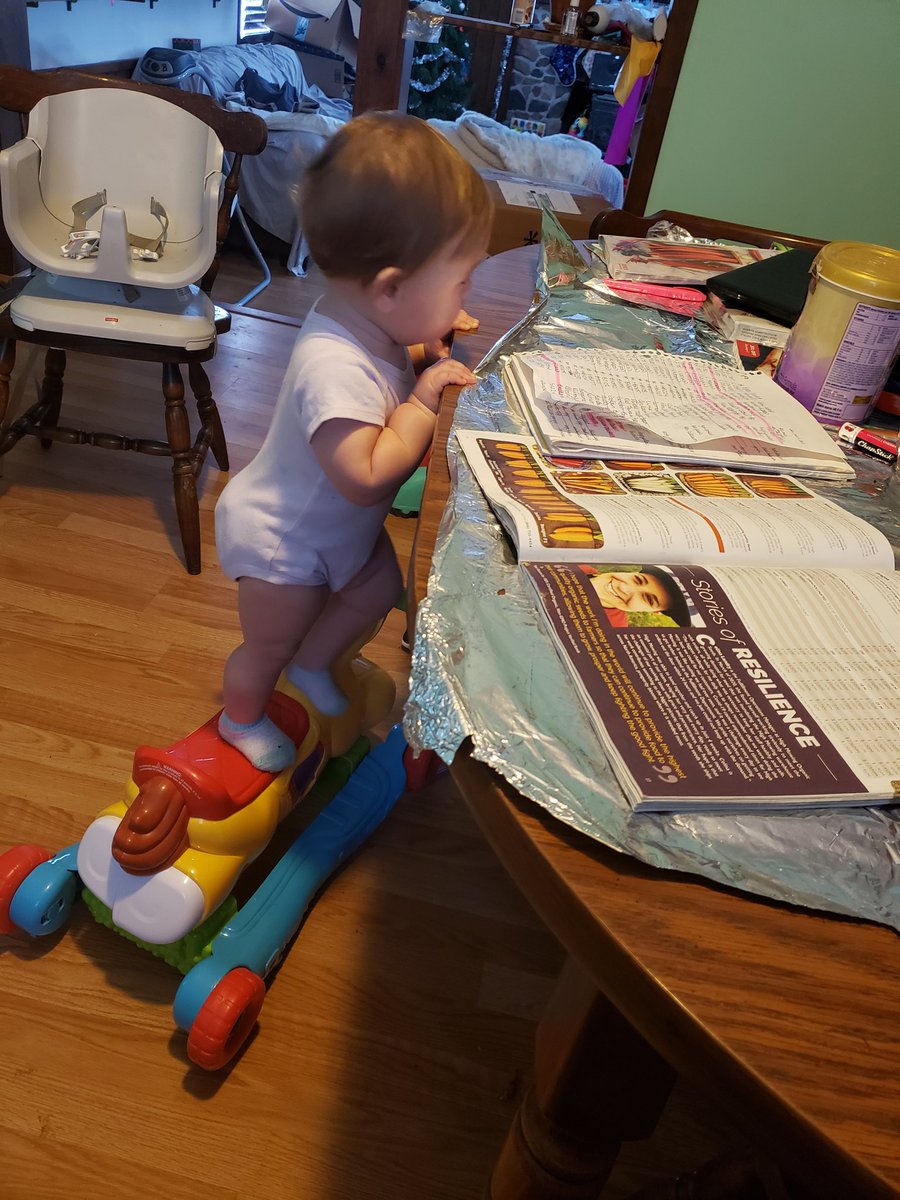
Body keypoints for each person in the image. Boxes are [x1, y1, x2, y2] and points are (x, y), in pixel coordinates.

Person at [214, 112, 493, 771]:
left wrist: (429, 336)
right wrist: (423, 402)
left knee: (376, 586)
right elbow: (365, 473)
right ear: (391, 288)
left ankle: (315, 664)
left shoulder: (365, 316)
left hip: (335, 534)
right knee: (266, 647)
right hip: (284, 542)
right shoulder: (331, 369)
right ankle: (239, 718)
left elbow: (392, 342)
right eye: (460, 281)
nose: (465, 295)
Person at [582, 566, 691, 627]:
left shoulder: (611, 629)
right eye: (637, 579)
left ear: (654, 612)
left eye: (647, 599)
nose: (624, 588)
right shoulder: (580, 566)